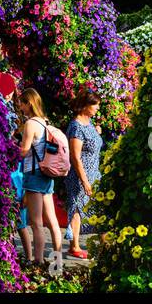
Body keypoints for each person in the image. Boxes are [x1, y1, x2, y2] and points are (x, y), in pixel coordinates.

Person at [17, 88, 62, 267]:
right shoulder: (45, 122)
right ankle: (57, 262)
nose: (20, 106)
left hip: (34, 174)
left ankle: (38, 260)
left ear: (29, 103)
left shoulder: (30, 124)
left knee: (36, 222)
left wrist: (12, 146)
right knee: (52, 221)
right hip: (46, 174)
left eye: (21, 102)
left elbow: (24, 151)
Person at [64, 91, 102, 259]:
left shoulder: (89, 123)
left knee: (96, 208)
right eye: (95, 105)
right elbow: (75, 156)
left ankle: (102, 243)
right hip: (80, 175)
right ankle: (74, 246)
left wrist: (97, 133)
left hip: (94, 173)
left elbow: (91, 143)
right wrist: (84, 180)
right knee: (77, 208)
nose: (97, 108)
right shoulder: (76, 126)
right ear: (85, 106)